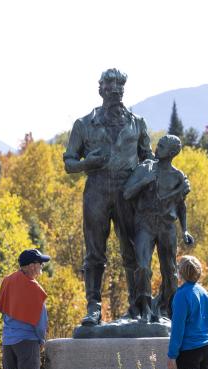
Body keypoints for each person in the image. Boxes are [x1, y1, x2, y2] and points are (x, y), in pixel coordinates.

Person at [63, 68, 154, 326]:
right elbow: (69, 162)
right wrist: (86, 163)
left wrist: (147, 170)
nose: (115, 91)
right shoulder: (84, 124)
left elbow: (148, 157)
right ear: (101, 89)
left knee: (134, 250)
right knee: (94, 253)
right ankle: (93, 307)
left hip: (128, 191)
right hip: (97, 190)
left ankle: (138, 305)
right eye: (110, 87)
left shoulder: (137, 122)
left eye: (120, 87)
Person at [123, 134, 194, 322]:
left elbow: (181, 205)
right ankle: (144, 308)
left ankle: (166, 310)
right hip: (145, 223)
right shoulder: (145, 168)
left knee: (170, 271)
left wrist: (185, 229)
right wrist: (143, 182)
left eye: (162, 146)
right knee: (142, 266)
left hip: (167, 226)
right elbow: (127, 193)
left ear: (171, 152)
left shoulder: (177, 176)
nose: (157, 147)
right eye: (158, 144)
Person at [167, 255, 208, 369]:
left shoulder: (181, 295)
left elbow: (178, 328)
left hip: (190, 350)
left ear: (180, 273)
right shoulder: (205, 293)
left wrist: (172, 355)